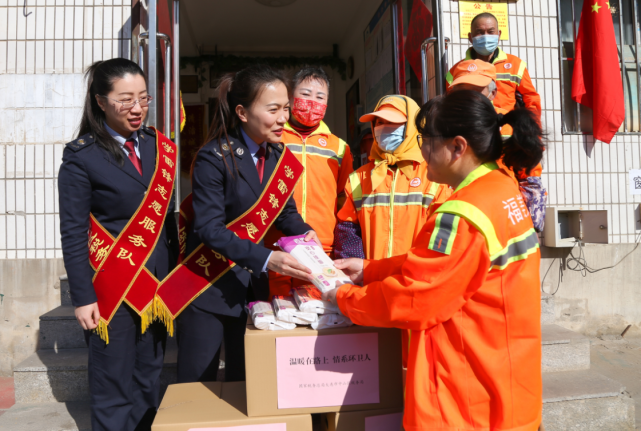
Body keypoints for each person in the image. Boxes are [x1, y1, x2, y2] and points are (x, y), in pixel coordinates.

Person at [323, 90, 544, 430]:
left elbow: (413, 298)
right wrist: (370, 269)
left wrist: (342, 298)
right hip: (506, 377)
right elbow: (441, 267)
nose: (421, 150)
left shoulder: (462, 214)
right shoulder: (501, 187)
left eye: (426, 140)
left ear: (457, 147)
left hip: (466, 396)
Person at [176, 65, 319, 384]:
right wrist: (267, 258)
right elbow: (209, 229)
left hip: (252, 291)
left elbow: (285, 213)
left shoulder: (279, 156)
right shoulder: (213, 158)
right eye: (273, 110)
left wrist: (303, 231)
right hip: (208, 288)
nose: (284, 118)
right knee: (199, 384)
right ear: (242, 112)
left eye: (286, 108)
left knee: (248, 383)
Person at [58, 58, 179, 430]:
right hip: (110, 286)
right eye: (125, 99)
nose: (138, 108)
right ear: (100, 101)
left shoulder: (160, 147)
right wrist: (82, 297)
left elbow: (167, 221)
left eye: (143, 98)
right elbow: (73, 232)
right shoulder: (81, 157)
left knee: (148, 376)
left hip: (155, 286)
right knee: (113, 381)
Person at [333, 95, 451, 366]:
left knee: (417, 365)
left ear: (411, 127)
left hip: (417, 287)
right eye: (378, 123)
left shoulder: (435, 175)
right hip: (372, 290)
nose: (384, 129)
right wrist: (357, 273)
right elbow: (347, 229)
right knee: (377, 368)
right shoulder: (360, 177)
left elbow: (439, 235)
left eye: (393, 122)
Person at [265, 66, 353, 299]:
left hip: (320, 246)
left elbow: (344, 197)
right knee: (279, 315)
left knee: (315, 315)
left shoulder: (339, 147)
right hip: (277, 244)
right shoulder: (273, 138)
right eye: (305, 94)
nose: (312, 101)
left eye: (320, 96)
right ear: (291, 96)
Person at [448, 59, 547, 232]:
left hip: (502, 218)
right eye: (462, 91)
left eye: (477, 91)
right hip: (458, 218)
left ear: (493, 93)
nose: (470, 98)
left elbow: (530, 178)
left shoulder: (511, 128)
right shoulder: (442, 130)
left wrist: (531, 225)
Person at [447, 12, 541, 119]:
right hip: (473, 130)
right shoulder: (457, 70)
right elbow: (449, 104)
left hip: (507, 131)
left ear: (499, 35)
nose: (486, 37)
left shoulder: (516, 65)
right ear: (470, 37)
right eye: (480, 32)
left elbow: (531, 98)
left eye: (491, 32)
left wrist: (532, 130)